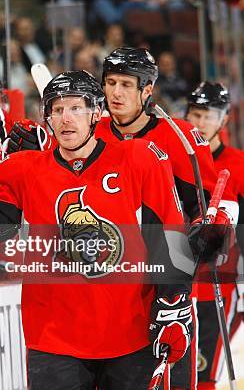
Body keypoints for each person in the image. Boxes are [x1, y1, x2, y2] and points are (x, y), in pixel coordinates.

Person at [0, 70, 195, 388]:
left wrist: (173, 305)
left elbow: (171, 236)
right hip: (54, 340)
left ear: (96, 113)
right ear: (47, 117)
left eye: (76, 108)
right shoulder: (23, 170)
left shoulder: (137, 159)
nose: (66, 118)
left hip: (130, 335)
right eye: (57, 109)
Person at [95, 47, 238, 389]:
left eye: (126, 85)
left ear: (146, 90)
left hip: (164, 289)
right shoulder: (91, 134)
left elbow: (204, 206)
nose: (115, 92)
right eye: (110, 83)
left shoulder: (179, 136)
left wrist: (211, 231)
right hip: (104, 287)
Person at [185, 82, 243, 389]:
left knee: (204, 372)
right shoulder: (175, 161)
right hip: (177, 283)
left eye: (209, 116)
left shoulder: (238, 164)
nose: (201, 123)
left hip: (219, 283)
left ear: (223, 120)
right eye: (195, 114)